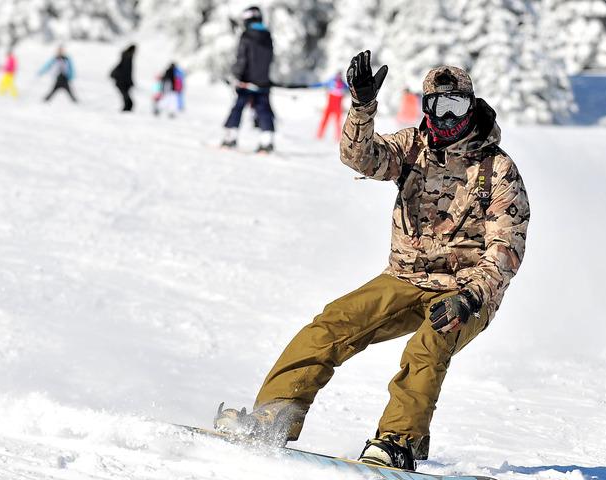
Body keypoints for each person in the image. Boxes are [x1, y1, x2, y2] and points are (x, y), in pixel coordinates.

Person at [214, 50, 530, 471]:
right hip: (405, 277)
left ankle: (398, 441)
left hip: (463, 291)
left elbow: (506, 247)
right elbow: (359, 157)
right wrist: (362, 107)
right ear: (427, 108)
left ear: (471, 108)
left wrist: (471, 297)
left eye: (458, 106)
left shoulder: (497, 169)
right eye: (440, 106)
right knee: (332, 324)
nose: (449, 117)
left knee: (428, 345)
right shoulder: (412, 147)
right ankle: (273, 417)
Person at [221, 5, 276, 153]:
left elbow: (242, 59)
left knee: (238, 108)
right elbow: (269, 59)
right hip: (263, 82)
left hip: (246, 81)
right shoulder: (267, 36)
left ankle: (230, 138)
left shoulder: (246, 35)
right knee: (264, 110)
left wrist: (236, 76)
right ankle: (267, 141)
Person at [312, 72, 348, 141]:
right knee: (324, 121)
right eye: (338, 75)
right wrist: (311, 86)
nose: (338, 77)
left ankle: (338, 137)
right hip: (330, 106)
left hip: (338, 107)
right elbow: (322, 84)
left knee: (338, 123)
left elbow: (350, 88)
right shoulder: (331, 82)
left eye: (340, 76)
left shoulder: (343, 84)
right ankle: (319, 135)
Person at [110, 44, 136, 112]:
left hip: (123, 81)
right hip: (122, 82)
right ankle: (126, 109)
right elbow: (126, 71)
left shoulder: (127, 57)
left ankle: (126, 108)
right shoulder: (127, 58)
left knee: (127, 99)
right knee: (127, 99)